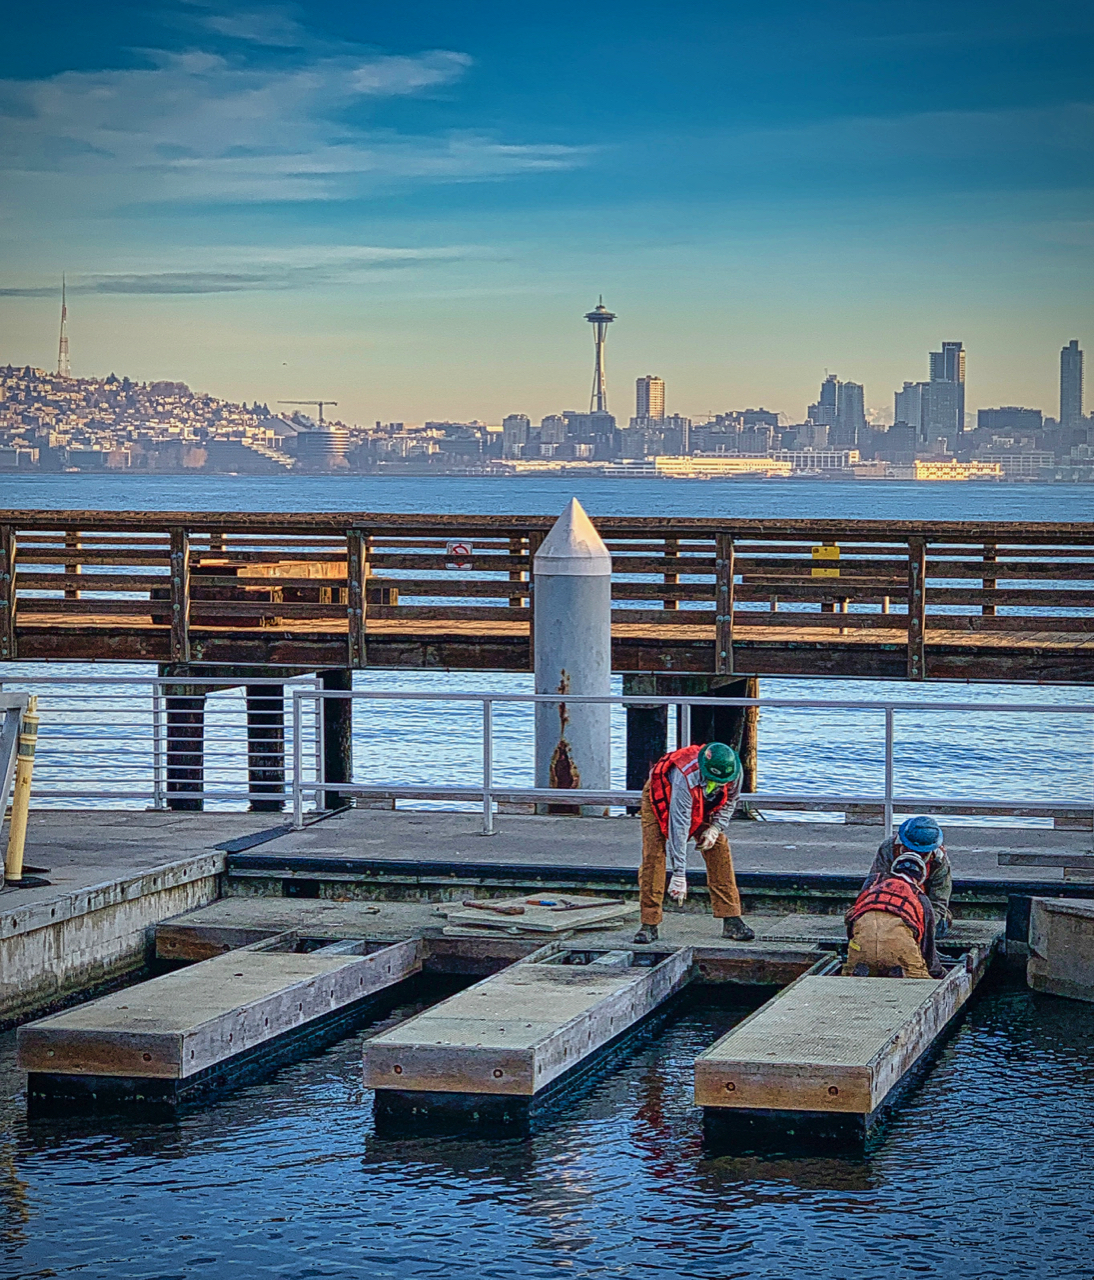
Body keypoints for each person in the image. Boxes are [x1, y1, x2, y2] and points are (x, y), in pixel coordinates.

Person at [633, 741, 754, 945]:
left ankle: (732, 918)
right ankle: (649, 923)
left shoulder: (734, 771)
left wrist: (715, 828)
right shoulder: (685, 776)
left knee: (719, 847)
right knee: (654, 855)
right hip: (664, 796)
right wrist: (679, 874)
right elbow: (678, 826)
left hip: (706, 799)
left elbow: (731, 800)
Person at [842, 849, 945, 978]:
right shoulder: (920, 898)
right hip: (900, 946)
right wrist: (938, 973)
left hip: (861, 944)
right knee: (920, 979)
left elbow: (851, 919)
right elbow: (927, 946)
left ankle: (860, 968)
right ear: (920, 878)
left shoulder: (872, 886)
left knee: (850, 971)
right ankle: (899, 971)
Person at [862, 815, 952, 936]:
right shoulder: (889, 848)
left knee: (938, 929)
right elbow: (872, 885)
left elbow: (939, 902)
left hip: (922, 909)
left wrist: (919, 924)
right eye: (908, 850)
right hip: (889, 906)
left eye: (920, 853)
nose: (913, 856)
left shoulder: (938, 861)